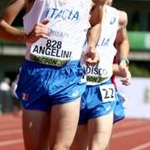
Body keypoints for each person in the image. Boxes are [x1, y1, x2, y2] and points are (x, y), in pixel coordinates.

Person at [0, 0, 105, 150]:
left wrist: (92, 46)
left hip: (69, 75)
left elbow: (96, 23)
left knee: (60, 147)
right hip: (36, 74)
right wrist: (26, 36)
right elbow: (2, 25)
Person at [70, 0, 131, 150]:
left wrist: (123, 61)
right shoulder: (75, 13)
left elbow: (123, 40)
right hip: (76, 86)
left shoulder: (119, 17)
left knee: (99, 146)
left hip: (102, 86)